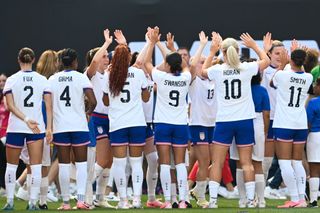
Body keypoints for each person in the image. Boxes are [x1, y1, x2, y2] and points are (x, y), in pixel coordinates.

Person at [201, 32, 270, 208]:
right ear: (238, 51)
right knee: (247, 163)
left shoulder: (217, 70)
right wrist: (255, 46)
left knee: (216, 162)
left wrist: (211, 52)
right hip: (245, 120)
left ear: (223, 52)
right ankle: (249, 200)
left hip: (224, 121)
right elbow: (266, 62)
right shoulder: (246, 68)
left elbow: (201, 73)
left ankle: (214, 201)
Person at [144, 27, 192, 209]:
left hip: (163, 124)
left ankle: (166, 200)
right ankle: (183, 200)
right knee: (180, 164)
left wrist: (153, 42)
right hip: (180, 124)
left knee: (164, 164)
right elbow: (181, 63)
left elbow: (146, 62)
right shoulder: (186, 77)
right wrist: (167, 48)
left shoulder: (161, 77)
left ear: (168, 65)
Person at [2, 47, 53, 210]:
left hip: (17, 126)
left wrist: (25, 119)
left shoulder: (11, 80)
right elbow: (49, 106)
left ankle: (10, 202)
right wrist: (49, 128)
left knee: (11, 167)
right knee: (36, 166)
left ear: (19, 60)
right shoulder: (42, 80)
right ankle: (32, 203)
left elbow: (9, 105)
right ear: (33, 60)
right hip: (36, 127)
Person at [102, 38, 150, 209]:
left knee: (120, 163)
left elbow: (106, 102)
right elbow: (146, 98)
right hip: (137, 122)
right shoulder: (138, 73)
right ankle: (136, 199)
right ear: (129, 57)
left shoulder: (108, 75)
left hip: (118, 124)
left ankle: (123, 200)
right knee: (137, 163)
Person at [48, 48, 97, 210]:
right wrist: (87, 113)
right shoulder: (81, 77)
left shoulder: (53, 79)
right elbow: (93, 101)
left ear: (61, 62)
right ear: (75, 62)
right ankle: (81, 200)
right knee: (81, 164)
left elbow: (48, 103)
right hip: (79, 126)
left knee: (63, 165)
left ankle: (65, 202)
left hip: (60, 126)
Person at [271, 48, 313, 208]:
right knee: (297, 162)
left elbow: (271, 82)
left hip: (284, 124)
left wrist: (283, 64)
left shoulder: (282, 75)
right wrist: (293, 60)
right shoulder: (308, 77)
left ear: (291, 61)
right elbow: (300, 73)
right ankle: (301, 198)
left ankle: (295, 198)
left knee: (284, 163)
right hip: (300, 124)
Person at [230, 70, 270, 208]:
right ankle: (261, 200)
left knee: (240, 163)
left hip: (240, 120)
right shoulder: (262, 90)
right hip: (257, 122)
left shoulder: (240, 88)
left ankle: (242, 200)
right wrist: (264, 131)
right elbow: (266, 113)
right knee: (257, 163)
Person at [84, 29, 113, 208]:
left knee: (108, 161)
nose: (106, 57)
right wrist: (106, 44)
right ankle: (86, 193)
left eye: (106, 55)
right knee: (101, 160)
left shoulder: (108, 74)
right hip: (96, 118)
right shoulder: (91, 73)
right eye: (103, 55)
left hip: (110, 118)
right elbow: (94, 61)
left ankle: (100, 197)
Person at [260, 40, 285, 181]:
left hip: (283, 119)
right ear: (269, 54)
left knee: (286, 159)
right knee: (265, 160)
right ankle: (260, 189)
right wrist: (263, 51)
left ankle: (286, 188)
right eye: (276, 53)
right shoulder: (264, 70)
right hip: (267, 118)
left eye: (282, 53)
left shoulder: (288, 71)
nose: (279, 56)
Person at [306, 78, 320, 207]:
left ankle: (313, 200)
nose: (314, 87)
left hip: (315, 136)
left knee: (314, 170)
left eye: (316, 85)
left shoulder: (313, 102)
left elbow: (308, 123)